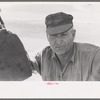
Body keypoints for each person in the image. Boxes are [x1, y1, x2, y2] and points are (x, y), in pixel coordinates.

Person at [31, 12, 100, 81]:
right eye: (53, 36)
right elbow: (22, 70)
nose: (58, 41)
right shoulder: (42, 57)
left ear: (73, 34)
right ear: (47, 36)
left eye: (63, 35)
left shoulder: (94, 56)